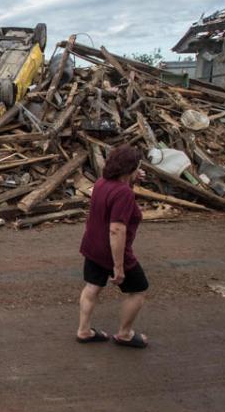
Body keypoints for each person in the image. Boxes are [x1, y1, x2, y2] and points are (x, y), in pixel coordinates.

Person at [76, 145, 150, 348]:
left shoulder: (101, 182)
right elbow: (117, 229)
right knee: (138, 290)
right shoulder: (123, 193)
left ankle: (84, 330)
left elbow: (115, 199)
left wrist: (132, 180)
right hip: (113, 251)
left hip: (92, 246)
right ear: (130, 169)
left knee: (92, 287)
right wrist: (118, 266)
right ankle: (125, 334)